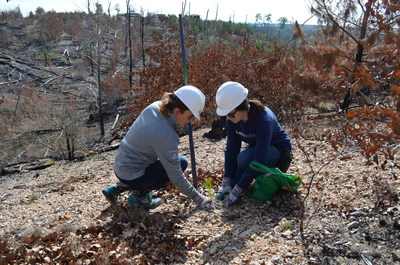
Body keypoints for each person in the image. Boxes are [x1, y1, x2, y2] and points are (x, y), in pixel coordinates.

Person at [102, 85, 214, 210]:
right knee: (181, 163)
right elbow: (175, 176)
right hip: (132, 173)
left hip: (121, 166)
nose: (191, 121)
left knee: (171, 163)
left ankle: (118, 188)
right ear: (177, 111)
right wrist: (197, 197)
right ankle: (138, 199)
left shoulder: (155, 107)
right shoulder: (166, 135)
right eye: (191, 116)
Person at [215, 81, 292, 206]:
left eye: (230, 114)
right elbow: (231, 149)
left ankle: (271, 175)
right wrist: (227, 181)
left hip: (279, 152)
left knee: (244, 159)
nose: (228, 118)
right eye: (225, 115)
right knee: (236, 176)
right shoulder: (232, 120)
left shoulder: (263, 119)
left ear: (242, 107)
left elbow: (258, 160)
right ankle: (260, 177)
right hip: (256, 148)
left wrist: (239, 189)